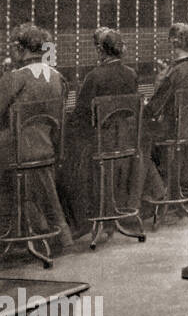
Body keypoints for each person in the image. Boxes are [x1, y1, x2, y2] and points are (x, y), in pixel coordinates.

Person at [58, 28, 139, 240]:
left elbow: (80, 114)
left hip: (99, 143)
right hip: (124, 141)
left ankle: (81, 222)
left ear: (100, 51)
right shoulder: (131, 74)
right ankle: (109, 216)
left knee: (67, 166)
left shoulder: (94, 76)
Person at [0, 24, 74, 254]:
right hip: (47, 150)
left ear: (20, 48)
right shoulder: (58, 77)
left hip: (16, 153)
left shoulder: (14, 78)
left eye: (13, 46)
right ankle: (49, 231)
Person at [142, 23, 188, 204]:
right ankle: (168, 188)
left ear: (174, 42)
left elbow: (155, 106)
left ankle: (158, 191)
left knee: (139, 144)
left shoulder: (174, 72)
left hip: (169, 129)